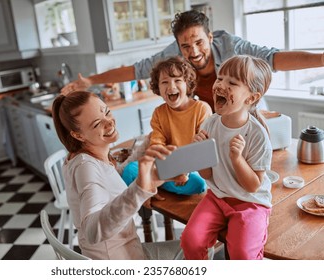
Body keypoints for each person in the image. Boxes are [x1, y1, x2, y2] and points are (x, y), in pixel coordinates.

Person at [61, 10, 324, 110]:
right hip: (210, 119)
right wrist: (91, 80)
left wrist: (321, 59)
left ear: (210, 36)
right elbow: (136, 70)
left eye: (198, 42)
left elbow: (274, 58)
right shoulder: (171, 54)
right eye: (185, 46)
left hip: (247, 114)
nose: (193, 51)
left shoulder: (232, 46)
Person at [51, 90, 182, 260]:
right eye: (97, 123)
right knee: (198, 247)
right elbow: (92, 231)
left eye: (106, 112)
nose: (109, 122)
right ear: (78, 135)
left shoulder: (83, 157)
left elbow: (109, 180)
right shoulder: (86, 167)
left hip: (127, 252)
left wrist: (146, 160)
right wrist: (140, 189)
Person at [180, 55, 273, 260]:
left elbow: (253, 186)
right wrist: (200, 153)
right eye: (220, 78)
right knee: (190, 240)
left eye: (232, 82)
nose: (221, 85)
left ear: (251, 98)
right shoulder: (209, 125)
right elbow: (207, 174)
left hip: (250, 203)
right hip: (217, 197)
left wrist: (237, 158)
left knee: (241, 253)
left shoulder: (257, 135)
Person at [120, 56, 212, 195]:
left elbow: (202, 151)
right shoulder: (159, 113)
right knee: (129, 171)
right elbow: (157, 145)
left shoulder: (201, 109)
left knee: (198, 184)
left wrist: (183, 170)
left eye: (177, 80)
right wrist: (169, 171)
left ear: (187, 84)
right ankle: (151, 186)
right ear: (158, 88)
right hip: (165, 166)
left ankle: (150, 185)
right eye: (164, 82)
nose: (171, 86)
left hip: (192, 169)